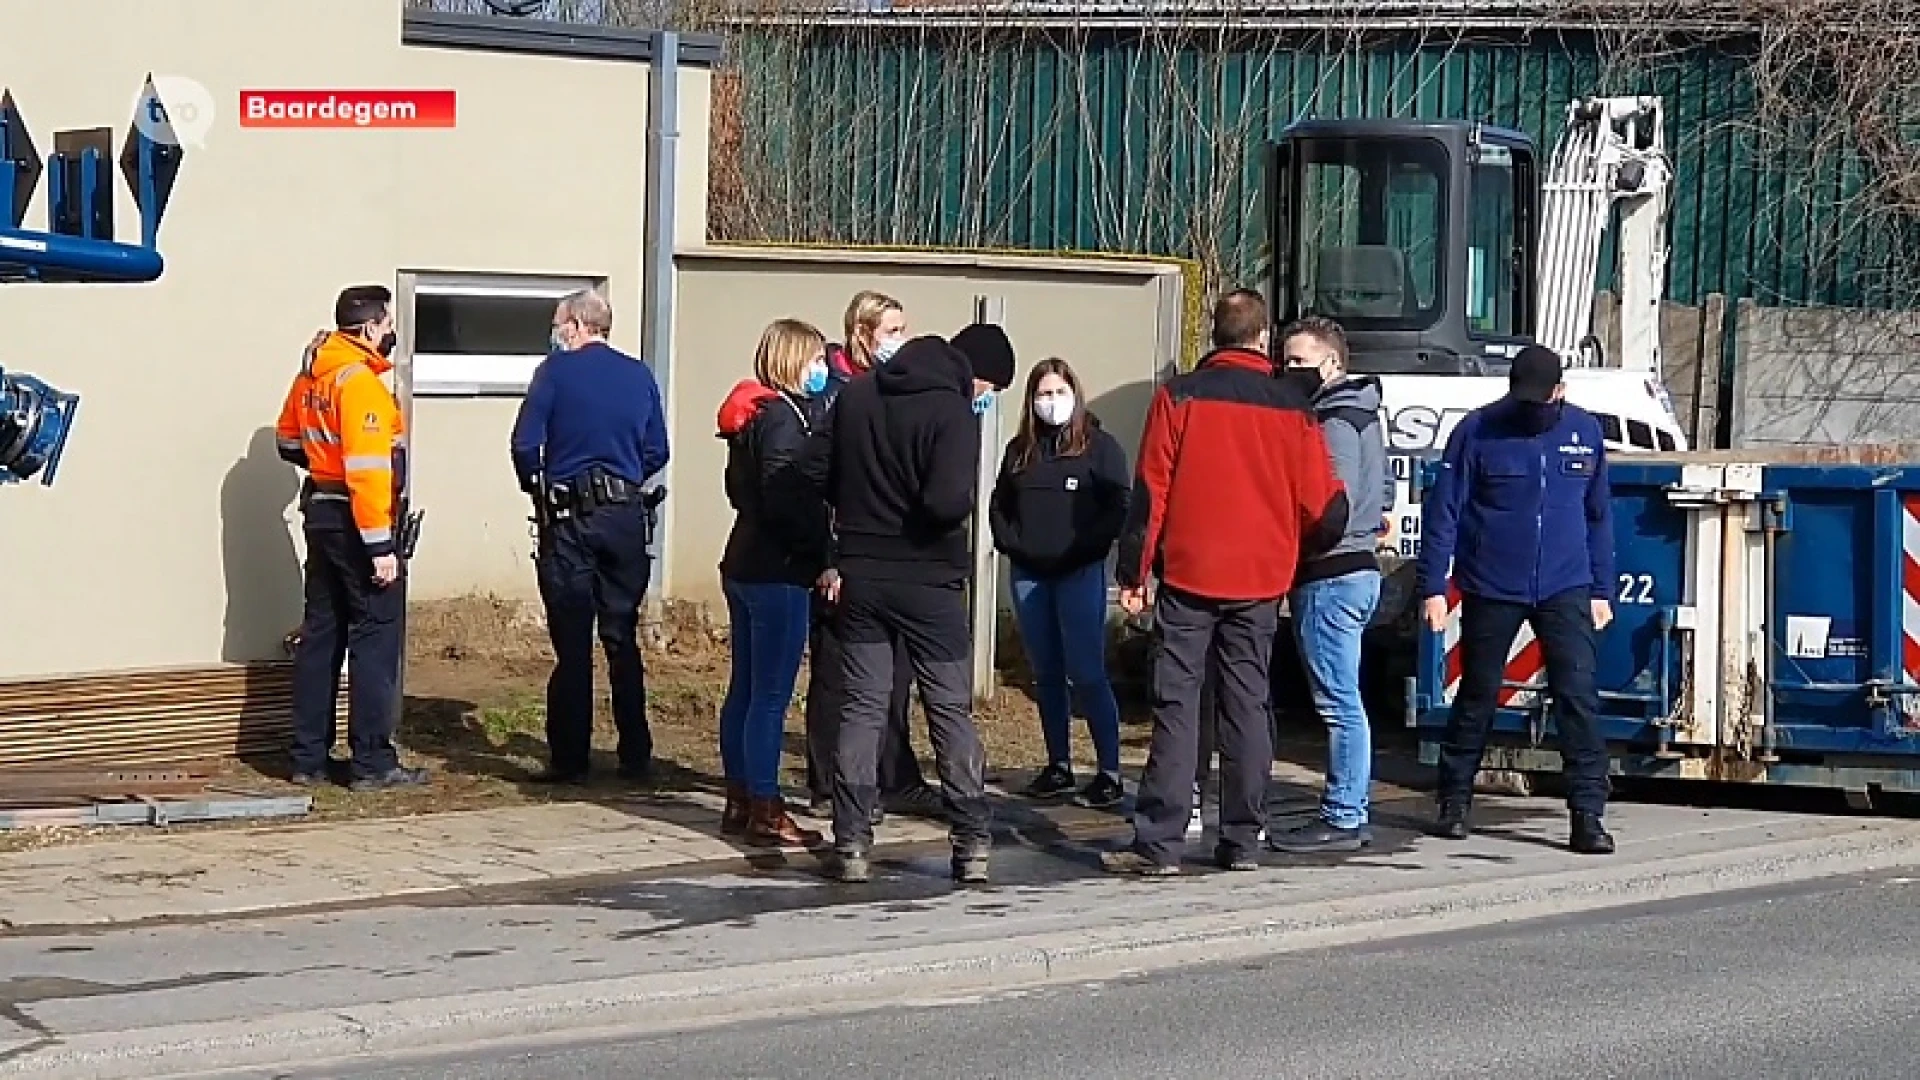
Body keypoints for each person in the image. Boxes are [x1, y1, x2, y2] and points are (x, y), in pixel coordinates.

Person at [1103, 289, 1348, 877]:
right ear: (1263, 338)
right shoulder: (1292, 406)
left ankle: (1160, 842)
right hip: (1261, 577)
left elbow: (1151, 490)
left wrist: (1134, 574)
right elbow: (1328, 507)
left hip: (1190, 572)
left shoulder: (1179, 395)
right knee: (1246, 704)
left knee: (1178, 705)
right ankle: (1243, 837)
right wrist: (1295, 551)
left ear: (1214, 334)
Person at [820, 322, 1017, 884]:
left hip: (862, 573)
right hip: (929, 580)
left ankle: (852, 842)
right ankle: (971, 841)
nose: (984, 397)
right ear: (971, 373)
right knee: (948, 709)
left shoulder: (856, 395)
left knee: (862, 706)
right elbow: (948, 499)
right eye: (988, 387)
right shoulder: (952, 411)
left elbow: (826, 477)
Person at [1416, 344, 1617, 854]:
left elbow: (1598, 516)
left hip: (1566, 584)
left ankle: (1588, 814)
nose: (1531, 410)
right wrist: (1434, 587)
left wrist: (1602, 588)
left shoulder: (1584, 432)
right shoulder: (1478, 431)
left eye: (1541, 400)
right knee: (1478, 692)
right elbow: (1445, 512)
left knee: (1577, 698)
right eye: (1521, 399)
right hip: (1491, 583)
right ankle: (1454, 800)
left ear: (1560, 392)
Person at [509, 288, 669, 786]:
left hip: (571, 518)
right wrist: (621, 481)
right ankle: (635, 753)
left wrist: (539, 486)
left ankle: (571, 758)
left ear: (577, 325)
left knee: (573, 643)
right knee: (621, 637)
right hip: (625, 517)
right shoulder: (639, 375)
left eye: (559, 324)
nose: (556, 333)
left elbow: (524, 444)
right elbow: (657, 450)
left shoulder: (554, 373)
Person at [276, 284, 428, 792]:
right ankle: (372, 763)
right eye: (387, 326)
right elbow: (367, 471)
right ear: (368, 328)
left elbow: (287, 441)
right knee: (374, 639)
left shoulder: (314, 374)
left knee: (322, 637)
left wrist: (322, 467)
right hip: (356, 521)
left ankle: (308, 759)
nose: (391, 335)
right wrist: (381, 548)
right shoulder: (359, 383)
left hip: (320, 511)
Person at [802, 289, 945, 824]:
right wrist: (830, 557)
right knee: (839, 675)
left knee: (891, 675)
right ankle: (829, 784)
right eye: (890, 331)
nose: (898, 341)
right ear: (861, 334)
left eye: (903, 330)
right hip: (844, 555)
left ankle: (893, 776)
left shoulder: (885, 391)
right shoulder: (838, 394)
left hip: (887, 559)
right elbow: (820, 483)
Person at [1267, 316, 1394, 854]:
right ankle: (1347, 809)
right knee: (1345, 698)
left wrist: (1299, 543)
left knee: (1339, 703)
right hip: (1356, 568)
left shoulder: (1333, 419)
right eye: (1285, 360)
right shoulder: (1366, 413)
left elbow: (1328, 503)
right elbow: (1382, 490)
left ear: (1332, 362)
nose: (1288, 370)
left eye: (1299, 360)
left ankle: (1344, 815)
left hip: (1331, 573)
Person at [714, 319, 836, 848]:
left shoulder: (750, 416)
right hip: (778, 570)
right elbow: (788, 498)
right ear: (791, 361)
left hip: (743, 561)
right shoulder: (784, 420)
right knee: (769, 694)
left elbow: (740, 491)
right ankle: (765, 803)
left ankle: (740, 795)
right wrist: (820, 555)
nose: (823, 370)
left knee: (744, 688)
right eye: (813, 361)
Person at [989, 357, 1130, 810]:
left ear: (1075, 395)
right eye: (1043, 394)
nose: (1052, 402)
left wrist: (1087, 547)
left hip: (1079, 572)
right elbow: (999, 504)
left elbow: (1117, 504)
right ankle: (1058, 764)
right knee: (1046, 673)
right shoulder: (1020, 451)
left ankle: (1110, 770)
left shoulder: (1100, 447)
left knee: (1087, 672)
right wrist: (1013, 543)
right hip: (1030, 575)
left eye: (1059, 393)